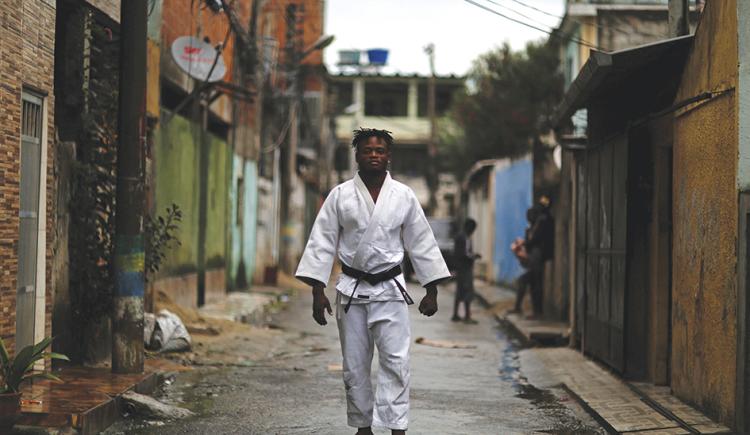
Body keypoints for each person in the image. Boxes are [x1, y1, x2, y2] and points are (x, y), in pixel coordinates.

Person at [295, 128, 451, 435]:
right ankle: (362, 427)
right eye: (368, 150)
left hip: (391, 290)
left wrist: (431, 289)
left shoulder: (403, 196)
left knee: (396, 361)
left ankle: (396, 428)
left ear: (388, 156)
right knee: (354, 366)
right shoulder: (340, 195)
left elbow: (420, 242)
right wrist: (318, 290)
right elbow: (322, 242)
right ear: (357, 156)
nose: (374, 155)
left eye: (380, 150)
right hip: (351, 290)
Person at [511, 198, 553, 319]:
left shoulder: (542, 224)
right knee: (528, 282)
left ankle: (537, 312)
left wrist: (524, 243)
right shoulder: (532, 228)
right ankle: (522, 308)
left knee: (535, 285)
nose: (529, 218)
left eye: (530, 216)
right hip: (533, 260)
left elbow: (534, 241)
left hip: (537, 260)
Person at [452, 218, 480, 324]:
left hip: (461, 268)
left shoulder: (462, 236)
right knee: (467, 291)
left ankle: (455, 314)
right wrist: (474, 256)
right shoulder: (464, 237)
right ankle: (467, 316)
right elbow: (464, 254)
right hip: (464, 268)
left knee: (460, 292)